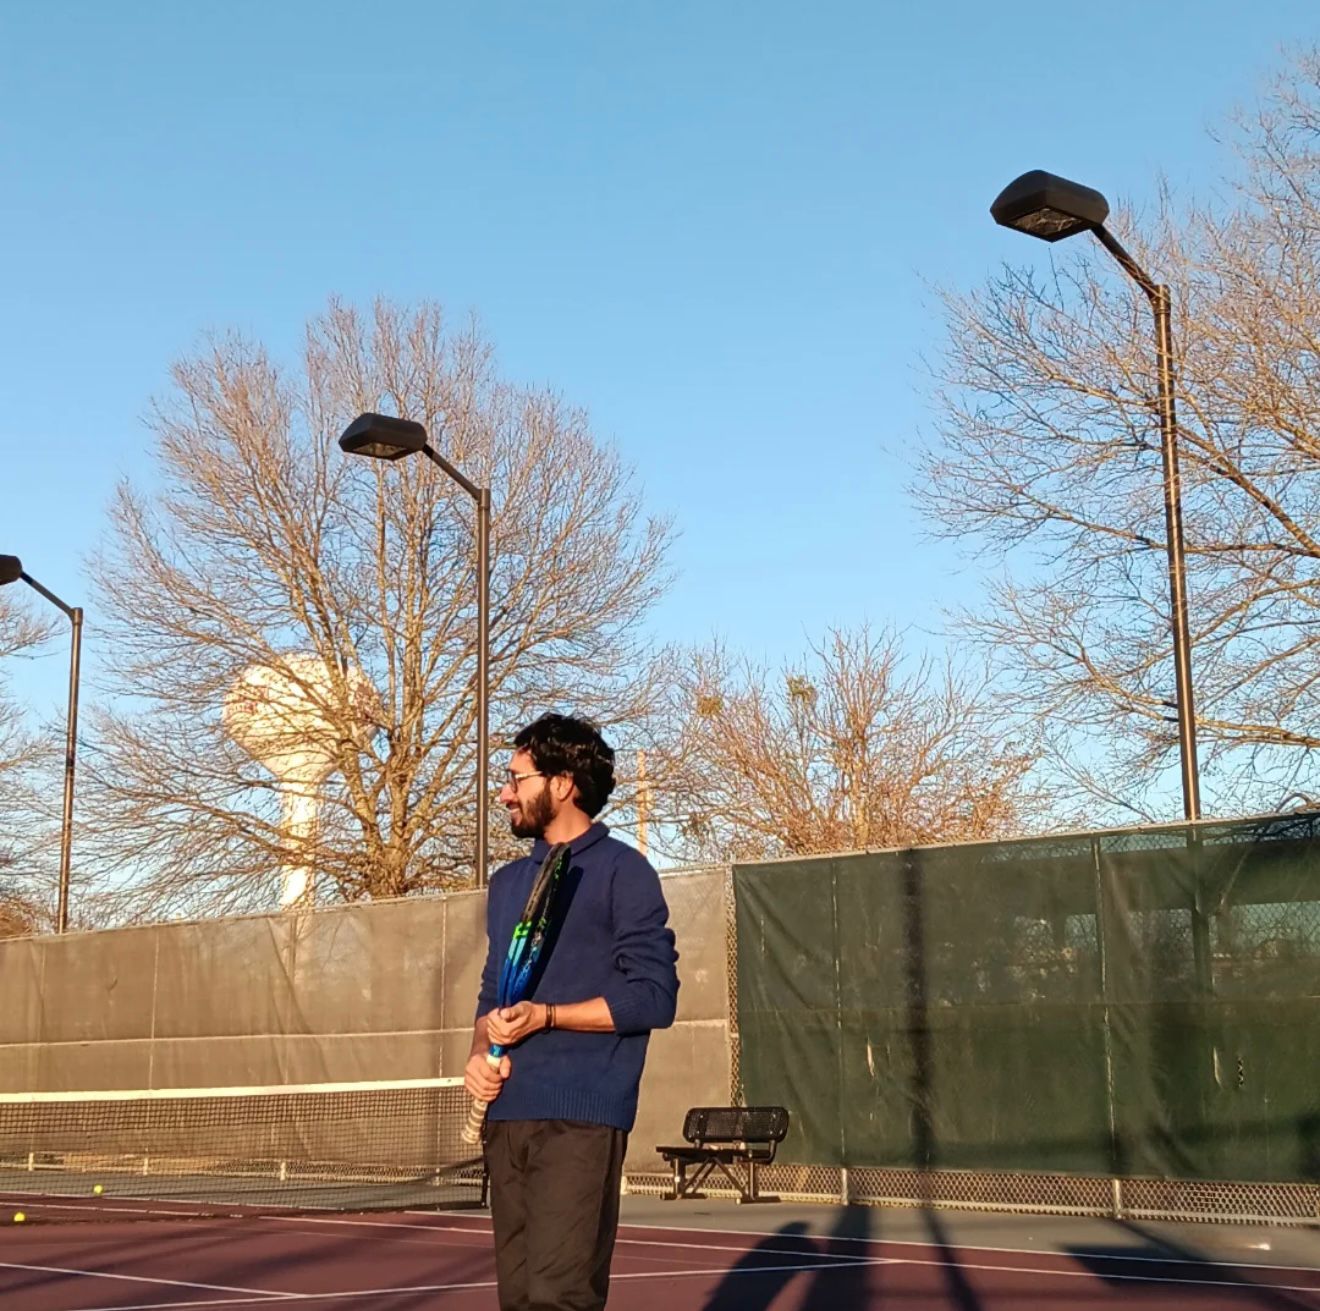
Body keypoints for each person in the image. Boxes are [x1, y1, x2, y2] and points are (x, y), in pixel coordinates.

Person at [466, 713, 679, 1311]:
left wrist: (548, 1016)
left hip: (580, 1121)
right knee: (519, 1298)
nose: (505, 793)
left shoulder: (624, 872)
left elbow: (653, 997)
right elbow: (492, 995)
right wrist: (479, 1058)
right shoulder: (507, 883)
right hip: (508, 1117)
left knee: (559, 1297)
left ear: (562, 784)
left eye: (516, 779)